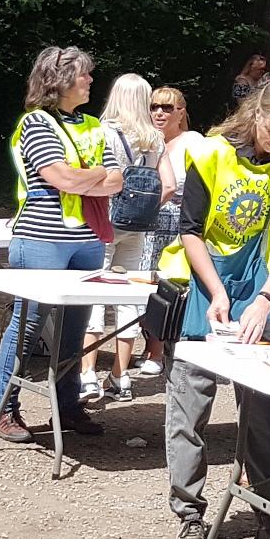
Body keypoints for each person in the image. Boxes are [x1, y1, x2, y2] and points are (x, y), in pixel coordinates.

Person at [157, 77, 270, 539]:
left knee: (268, 417)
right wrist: (217, 290)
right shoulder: (209, 154)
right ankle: (188, 515)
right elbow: (191, 231)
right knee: (189, 410)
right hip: (207, 294)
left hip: (261, 300)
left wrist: (267, 297)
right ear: (256, 114)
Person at [0, 46, 124, 443]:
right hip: (40, 238)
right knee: (27, 325)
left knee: (74, 328)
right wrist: (93, 175)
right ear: (61, 79)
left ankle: (67, 406)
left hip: (86, 240)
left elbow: (118, 180)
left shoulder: (93, 124)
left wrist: (85, 175)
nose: (90, 81)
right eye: (84, 75)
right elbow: (59, 178)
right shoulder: (36, 122)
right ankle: (5, 409)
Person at [79, 73, 175, 402]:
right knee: (129, 299)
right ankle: (120, 377)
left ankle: (87, 373)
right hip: (137, 227)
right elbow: (170, 185)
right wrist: (146, 210)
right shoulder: (156, 138)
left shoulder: (101, 132)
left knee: (93, 293)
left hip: (103, 222)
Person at [138, 86, 203, 375]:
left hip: (176, 223)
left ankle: (158, 351)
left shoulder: (193, 141)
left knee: (168, 287)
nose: (159, 113)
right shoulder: (147, 140)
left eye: (167, 107)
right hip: (146, 223)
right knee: (143, 287)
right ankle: (148, 345)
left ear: (181, 112)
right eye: (154, 107)